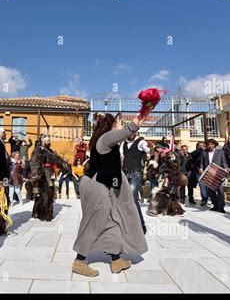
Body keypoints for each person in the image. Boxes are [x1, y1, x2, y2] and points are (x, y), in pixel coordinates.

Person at [72, 112, 148, 277]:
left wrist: (142, 115)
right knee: (94, 222)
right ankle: (79, 261)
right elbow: (126, 132)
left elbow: (123, 134)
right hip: (94, 185)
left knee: (112, 222)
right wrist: (144, 113)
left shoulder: (108, 141)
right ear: (111, 125)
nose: (120, 125)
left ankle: (116, 260)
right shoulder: (106, 138)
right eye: (118, 123)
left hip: (101, 185)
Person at [30, 136, 66, 221]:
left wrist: (64, 164)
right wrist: (36, 176)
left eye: (50, 140)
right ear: (43, 141)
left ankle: (43, 214)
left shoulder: (49, 151)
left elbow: (56, 159)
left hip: (49, 175)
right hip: (42, 175)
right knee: (42, 195)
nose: (50, 142)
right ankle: (42, 214)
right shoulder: (38, 149)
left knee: (48, 195)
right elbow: (35, 163)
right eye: (48, 141)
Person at [120, 133, 149, 233]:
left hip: (136, 173)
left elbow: (148, 150)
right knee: (124, 198)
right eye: (130, 131)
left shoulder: (140, 142)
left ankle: (141, 224)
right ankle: (127, 222)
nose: (132, 134)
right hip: (125, 173)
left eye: (134, 131)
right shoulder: (123, 144)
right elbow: (120, 157)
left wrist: (150, 148)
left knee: (133, 198)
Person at [199, 139, 230, 213]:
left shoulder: (220, 152)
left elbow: (224, 161)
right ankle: (215, 206)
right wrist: (201, 168)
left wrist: (226, 168)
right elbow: (201, 162)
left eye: (211, 144)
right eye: (208, 144)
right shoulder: (204, 152)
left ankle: (221, 207)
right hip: (208, 173)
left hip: (218, 173)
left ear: (214, 145)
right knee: (211, 191)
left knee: (220, 190)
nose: (210, 146)